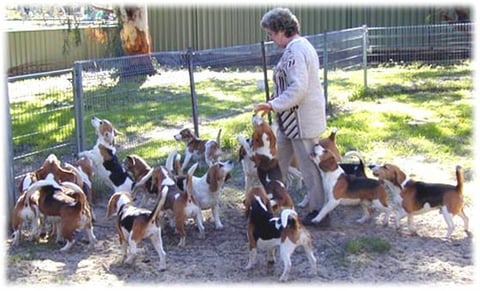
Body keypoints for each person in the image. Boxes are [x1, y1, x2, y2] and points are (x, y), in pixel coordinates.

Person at [253, 7, 329, 226]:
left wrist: (272, 104)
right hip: (289, 122)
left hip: (301, 122)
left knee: (309, 168)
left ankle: (320, 212)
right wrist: (276, 100)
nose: (270, 38)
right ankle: (275, 203)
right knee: (278, 164)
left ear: (280, 30)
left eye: (270, 33)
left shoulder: (296, 50)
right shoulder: (297, 48)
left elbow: (298, 89)